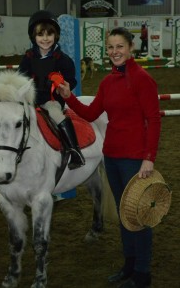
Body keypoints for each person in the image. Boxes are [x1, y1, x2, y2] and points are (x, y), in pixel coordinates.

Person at [58, 27, 161, 288]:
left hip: (135, 159)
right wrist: (69, 98)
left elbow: (154, 119)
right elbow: (91, 113)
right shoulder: (107, 82)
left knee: (137, 215)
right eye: (111, 47)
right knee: (124, 213)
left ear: (131, 48)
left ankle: (142, 273)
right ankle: (129, 266)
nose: (115, 52)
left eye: (120, 47)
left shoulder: (142, 79)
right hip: (112, 157)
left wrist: (149, 158)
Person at [18, 10, 85, 170]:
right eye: (41, 35)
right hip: (30, 100)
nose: (45, 39)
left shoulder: (62, 59)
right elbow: (20, 78)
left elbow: (71, 79)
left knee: (56, 114)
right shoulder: (27, 58)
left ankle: (75, 150)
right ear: (34, 37)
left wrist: (62, 87)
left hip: (51, 100)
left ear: (56, 36)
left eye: (49, 34)